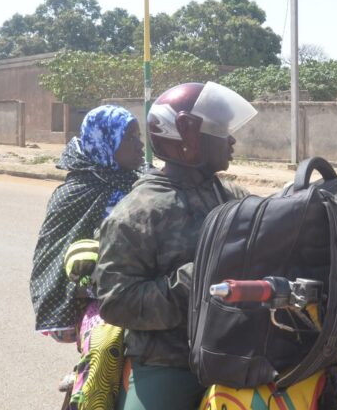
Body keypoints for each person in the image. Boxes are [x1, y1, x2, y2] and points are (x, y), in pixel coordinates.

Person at [93, 82, 257, 410]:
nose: (231, 140)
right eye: (221, 131)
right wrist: (197, 281)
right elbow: (116, 302)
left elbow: (267, 224)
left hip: (238, 349)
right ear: (188, 136)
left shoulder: (228, 195)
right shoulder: (138, 212)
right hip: (170, 361)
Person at [29, 105, 144, 409]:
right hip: (100, 299)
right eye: (130, 138)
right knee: (105, 347)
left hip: (152, 291)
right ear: (106, 142)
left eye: (139, 136)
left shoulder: (147, 183)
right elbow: (55, 256)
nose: (140, 145)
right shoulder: (75, 192)